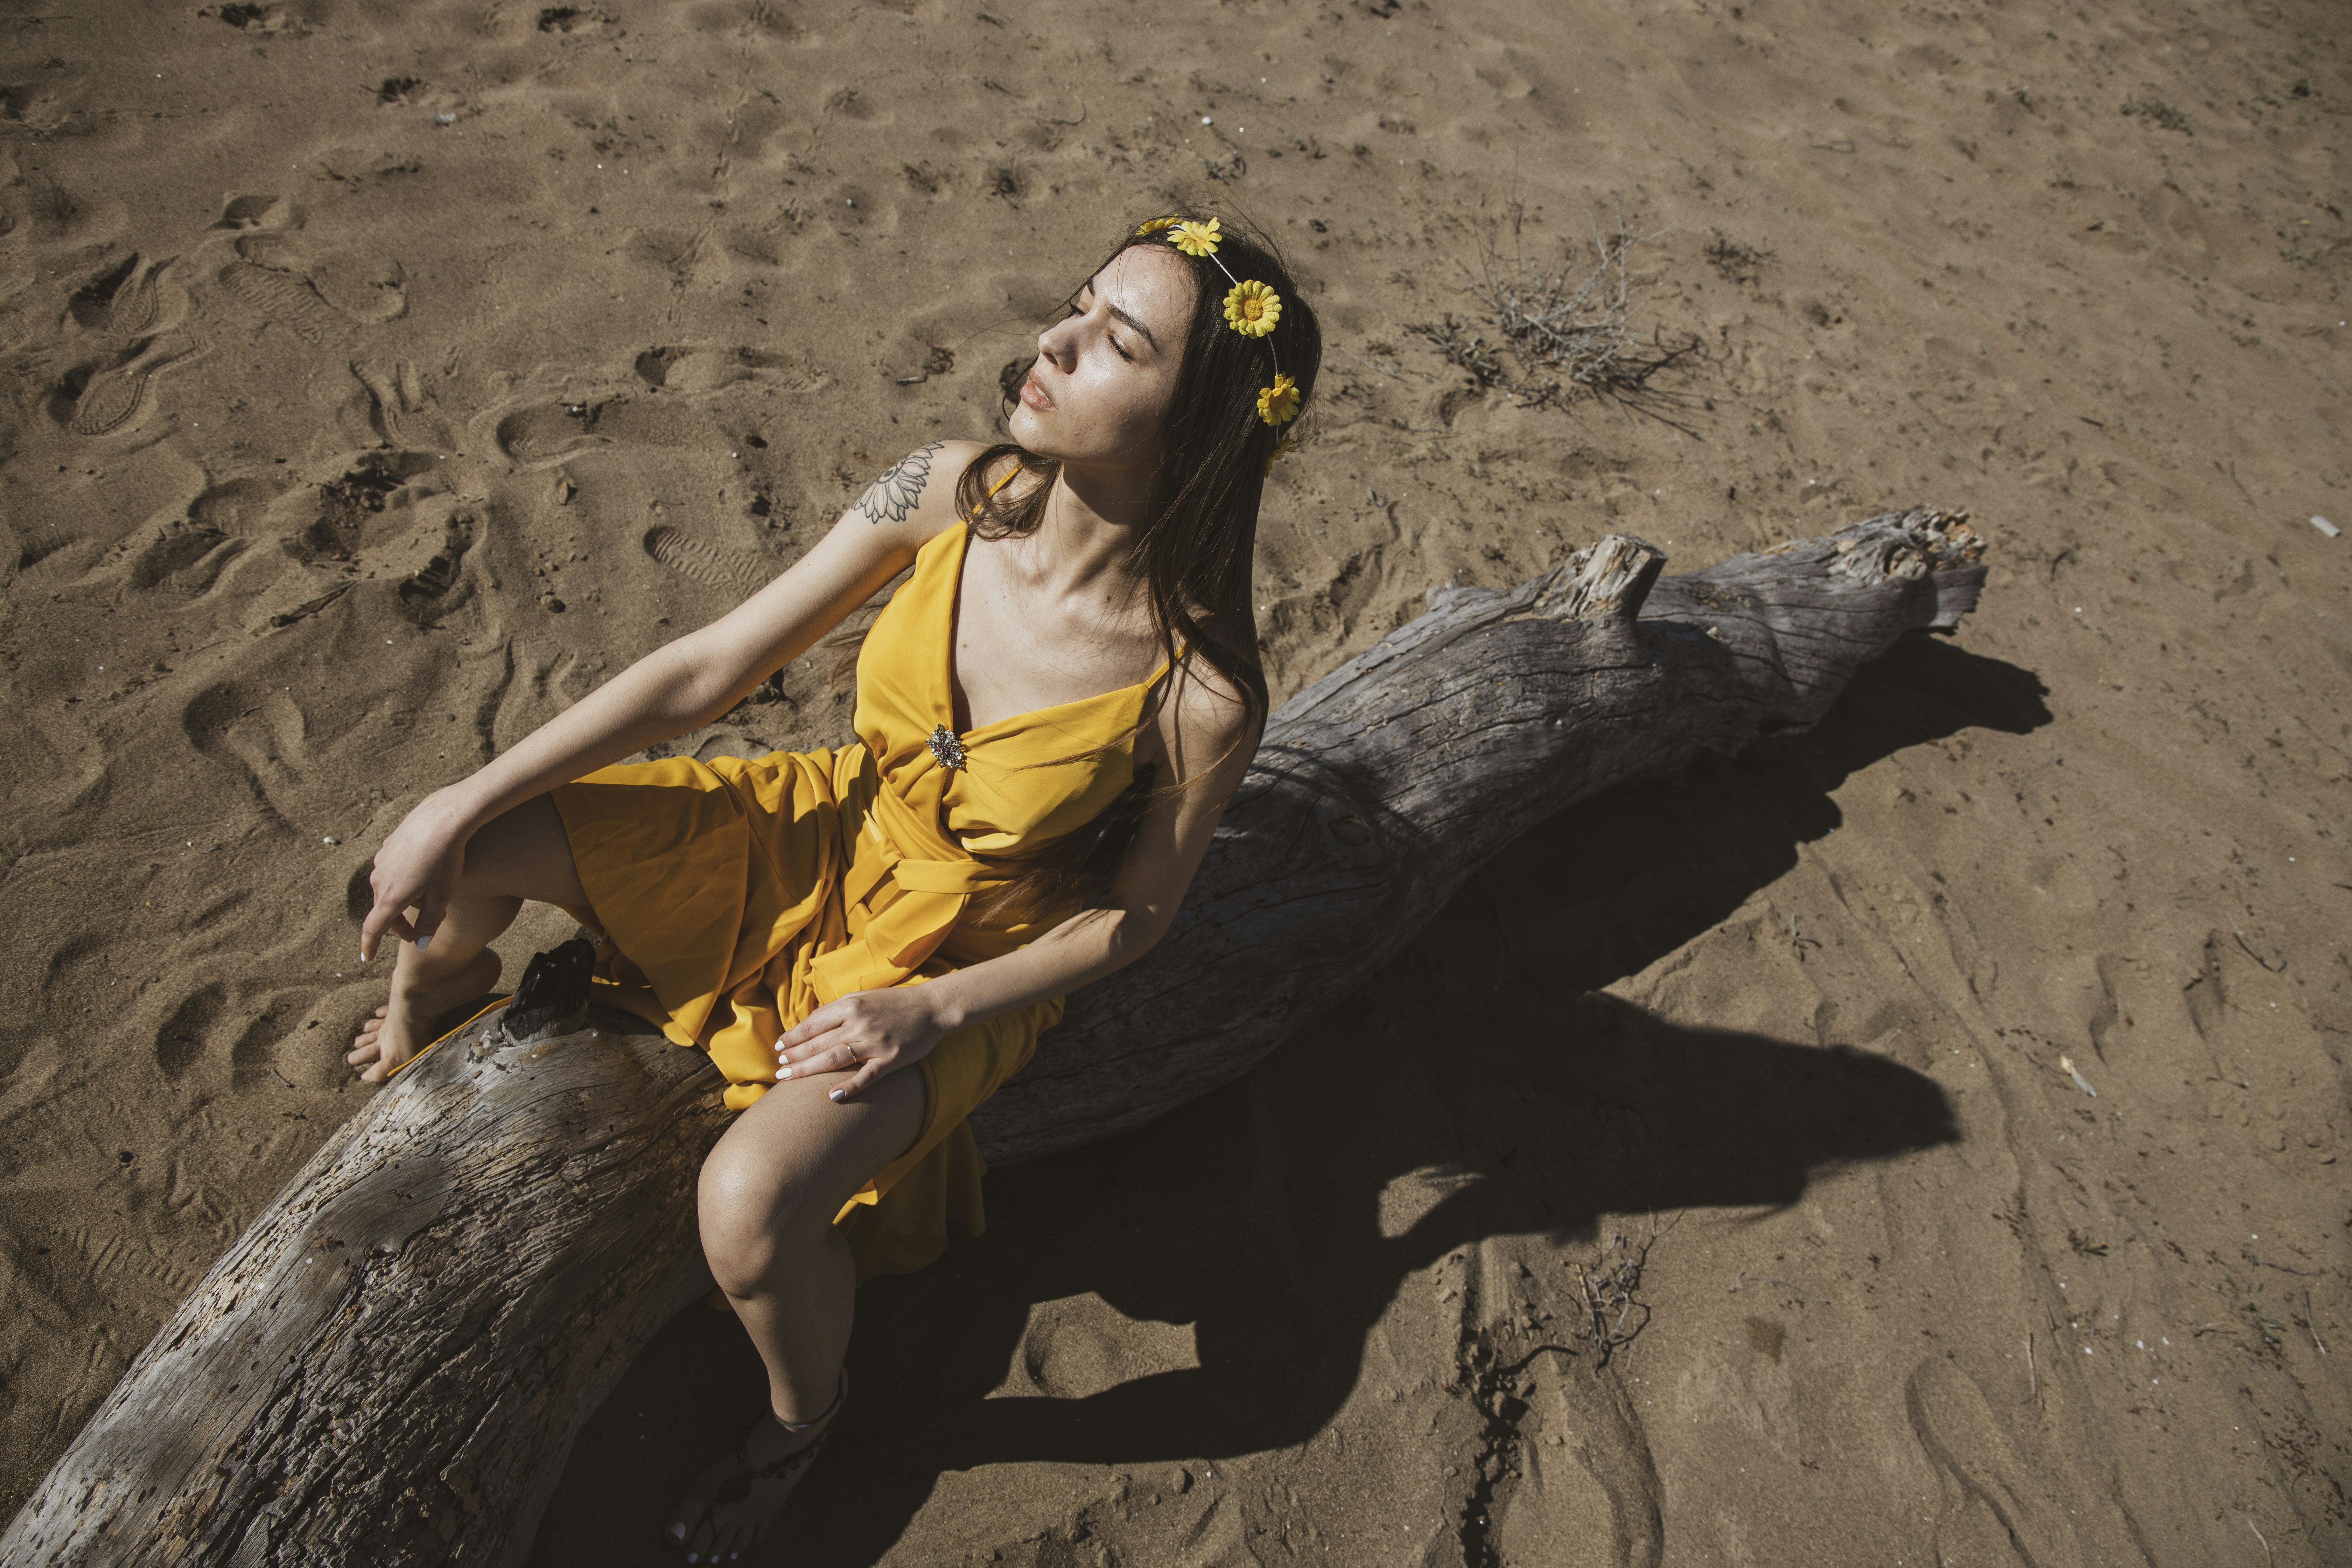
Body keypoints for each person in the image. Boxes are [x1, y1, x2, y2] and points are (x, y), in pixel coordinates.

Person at [343, 211, 1319, 1558]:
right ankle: (422, 1029)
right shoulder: (946, 490)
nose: (1052, 341)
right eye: (1075, 305)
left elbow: (1137, 917)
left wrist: (944, 1014)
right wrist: (465, 799)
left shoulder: (1203, 689)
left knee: (750, 1214)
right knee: (465, 864)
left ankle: (804, 1424)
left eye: (1114, 343)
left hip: (960, 948)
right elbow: (707, 670)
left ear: (1194, 422)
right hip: (821, 825)